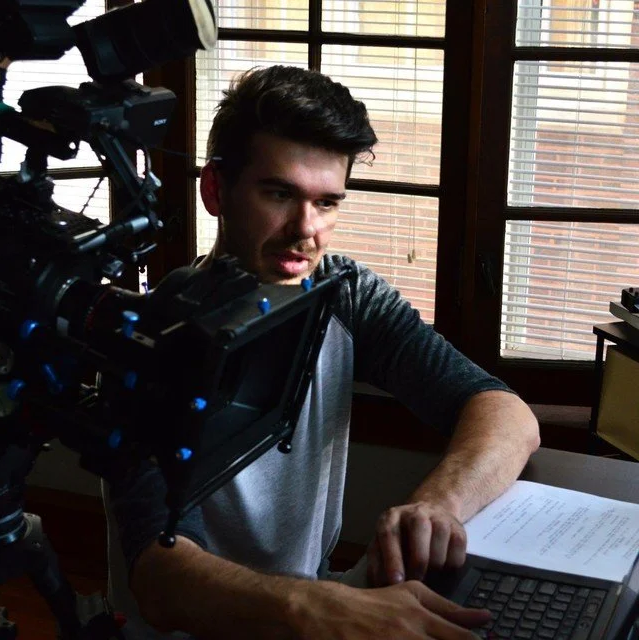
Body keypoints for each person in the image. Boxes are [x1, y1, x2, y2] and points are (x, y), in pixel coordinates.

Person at [107, 65, 541, 640]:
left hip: (316, 606)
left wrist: (438, 504)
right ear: (216, 190)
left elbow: (504, 411)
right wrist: (315, 606)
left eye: (327, 202)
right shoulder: (152, 336)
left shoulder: (347, 295)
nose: (305, 230)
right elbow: (162, 577)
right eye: (280, 193)